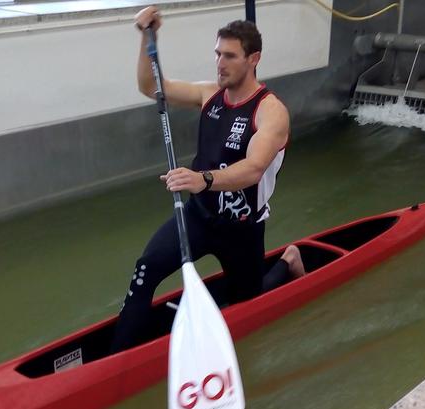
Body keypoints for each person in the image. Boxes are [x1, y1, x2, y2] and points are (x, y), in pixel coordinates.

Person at [110, 6, 305, 352]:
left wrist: (204, 179)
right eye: (218, 54)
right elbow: (148, 86)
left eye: (230, 56)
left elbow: (253, 168)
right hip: (198, 217)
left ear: (253, 59)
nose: (220, 63)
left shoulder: (270, 111)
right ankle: (114, 362)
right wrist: (145, 38)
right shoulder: (208, 95)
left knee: (248, 302)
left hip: (241, 228)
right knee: (145, 270)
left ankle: (288, 262)